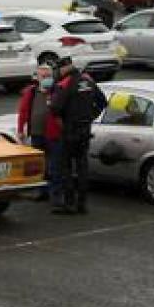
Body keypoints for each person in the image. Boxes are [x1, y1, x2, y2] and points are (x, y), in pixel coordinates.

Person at [48, 62, 103, 215]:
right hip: (85, 130)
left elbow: (55, 108)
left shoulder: (66, 83)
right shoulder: (88, 81)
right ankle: (82, 203)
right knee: (82, 167)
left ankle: (70, 203)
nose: (57, 72)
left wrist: (63, 121)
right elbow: (102, 102)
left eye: (58, 69)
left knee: (66, 168)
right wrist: (90, 116)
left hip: (69, 131)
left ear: (65, 68)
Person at [14, 63, 61, 201]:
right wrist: (20, 129)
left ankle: (55, 194)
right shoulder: (32, 92)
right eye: (44, 76)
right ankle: (43, 192)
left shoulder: (57, 91)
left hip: (53, 134)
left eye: (49, 76)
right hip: (37, 133)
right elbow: (23, 111)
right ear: (38, 77)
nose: (47, 78)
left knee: (54, 165)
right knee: (40, 165)